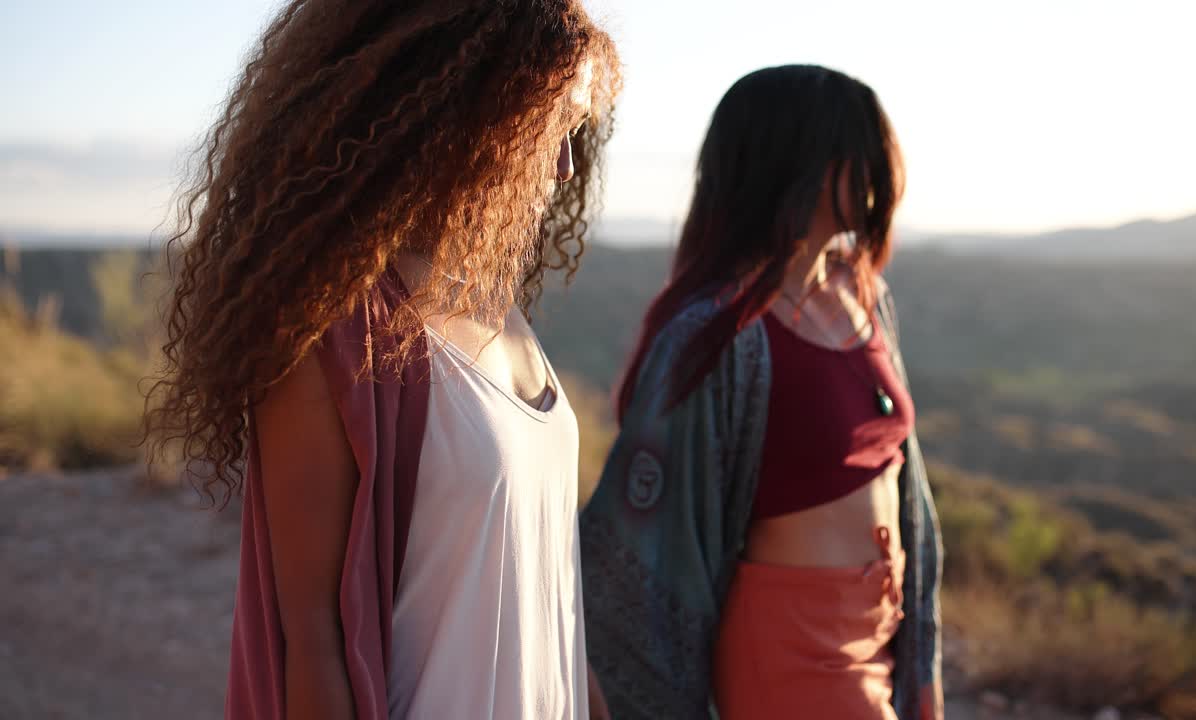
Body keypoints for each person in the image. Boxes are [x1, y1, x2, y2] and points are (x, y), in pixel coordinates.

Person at [143, 2, 621, 718]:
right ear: (466, 109)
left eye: (574, 132)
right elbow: (314, 646)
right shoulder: (329, 328)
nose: (562, 166)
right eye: (549, 125)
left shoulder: (497, 305)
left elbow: (536, 574)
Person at [579, 65, 943, 720]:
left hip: (878, 634)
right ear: (791, 163)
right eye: (854, 148)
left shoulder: (862, 298)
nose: (876, 169)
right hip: (791, 649)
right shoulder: (718, 335)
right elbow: (642, 546)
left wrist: (921, 659)